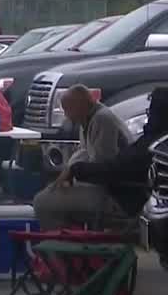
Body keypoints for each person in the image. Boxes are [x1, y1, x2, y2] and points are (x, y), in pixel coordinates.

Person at [32, 85, 133, 231]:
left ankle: (62, 247)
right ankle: (69, 241)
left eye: (68, 109)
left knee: (42, 202)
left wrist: (73, 172)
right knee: (50, 191)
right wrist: (68, 174)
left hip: (113, 194)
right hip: (103, 187)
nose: (67, 116)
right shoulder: (88, 119)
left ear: (81, 105)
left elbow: (102, 166)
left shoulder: (102, 120)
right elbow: (83, 154)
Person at [70, 88, 168, 238]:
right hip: (133, 194)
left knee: (45, 203)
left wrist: (76, 170)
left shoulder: (154, 146)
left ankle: (65, 253)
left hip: (125, 201)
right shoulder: (157, 140)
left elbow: (115, 170)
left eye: (151, 110)